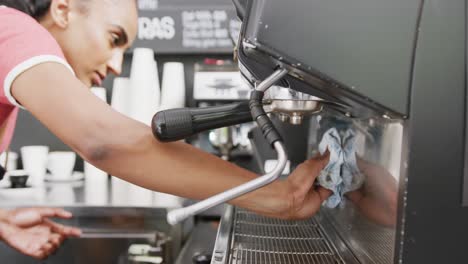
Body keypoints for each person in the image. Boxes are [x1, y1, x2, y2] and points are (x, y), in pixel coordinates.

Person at [0, 0, 331, 259]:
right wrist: (278, 196)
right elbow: (102, 140)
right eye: (114, 38)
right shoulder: (13, 27)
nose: (116, 66)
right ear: (62, 10)